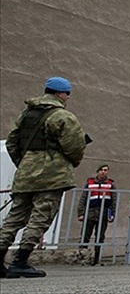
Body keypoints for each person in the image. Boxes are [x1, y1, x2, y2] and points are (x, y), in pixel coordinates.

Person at [0, 76, 87, 279]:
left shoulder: (27, 114)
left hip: (25, 174)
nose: (68, 98)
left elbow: (12, 141)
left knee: (14, 217)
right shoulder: (62, 116)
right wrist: (67, 163)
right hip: (51, 175)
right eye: (67, 93)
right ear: (59, 93)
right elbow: (75, 146)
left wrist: (25, 163)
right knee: (41, 217)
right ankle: (20, 261)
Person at [77, 164, 117, 265]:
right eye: (101, 170)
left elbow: (114, 201)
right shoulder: (90, 183)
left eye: (106, 170)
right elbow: (83, 199)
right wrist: (80, 213)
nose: (103, 172)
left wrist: (112, 214)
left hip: (103, 212)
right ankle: (82, 258)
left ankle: (96, 259)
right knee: (85, 235)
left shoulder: (110, 184)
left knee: (100, 236)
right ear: (98, 171)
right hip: (90, 211)